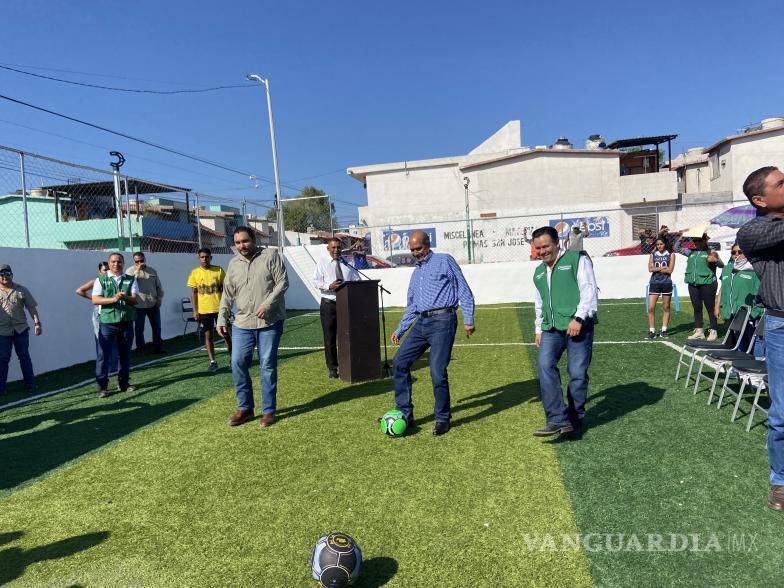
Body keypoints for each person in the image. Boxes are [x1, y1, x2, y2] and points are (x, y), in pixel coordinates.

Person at [391, 230, 475, 436]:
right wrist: (400, 329)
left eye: (418, 248)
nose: (416, 253)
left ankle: (442, 418)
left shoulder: (444, 260)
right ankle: (405, 414)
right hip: (421, 323)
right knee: (399, 362)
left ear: (428, 245)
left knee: (437, 371)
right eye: (412, 250)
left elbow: (463, 288)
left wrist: (469, 318)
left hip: (443, 320)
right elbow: (412, 306)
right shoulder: (415, 273)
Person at [736, 165, 784, 512]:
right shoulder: (753, 231)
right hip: (781, 326)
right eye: (781, 183)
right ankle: (780, 482)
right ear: (760, 199)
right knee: (782, 412)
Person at [218, 226, 288, 428]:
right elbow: (228, 293)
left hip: (270, 322)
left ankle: (268, 411)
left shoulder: (270, 256)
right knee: (237, 361)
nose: (242, 246)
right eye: (238, 242)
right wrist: (222, 318)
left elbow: (282, 282)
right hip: (242, 323)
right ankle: (245, 408)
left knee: (267, 365)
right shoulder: (233, 264)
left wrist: (267, 304)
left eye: (245, 241)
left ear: (254, 239)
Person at [531, 226, 598, 438]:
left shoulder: (576, 259)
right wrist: (538, 329)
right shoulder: (539, 271)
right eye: (538, 248)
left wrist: (578, 318)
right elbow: (539, 302)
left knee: (577, 374)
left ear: (557, 243)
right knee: (544, 365)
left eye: (546, 246)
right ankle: (557, 419)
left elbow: (589, 289)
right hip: (551, 328)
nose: (542, 251)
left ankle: (575, 419)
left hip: (578, 326)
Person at [91, 253, 139, 398]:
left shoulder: (130, 279)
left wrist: (125, 297)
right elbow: (95, 299)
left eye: (119, 262)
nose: (116, 264)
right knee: (103, 356)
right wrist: (114, 299)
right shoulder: (100, 280)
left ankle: (123, 384)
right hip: (107, 323)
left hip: (126, 322)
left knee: (124, 354)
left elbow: (135, 300)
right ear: (109, 263)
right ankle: (102, 387)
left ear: (123, 263)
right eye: (113, 262)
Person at [312, 237, 360, 378]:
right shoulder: (322, 263)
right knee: (330, 337)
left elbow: (357, 279)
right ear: (328, 249)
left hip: (346, 304)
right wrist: (329, 286)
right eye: (333, 248)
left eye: (338, 247)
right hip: (329, 304)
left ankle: (348, 363)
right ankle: (333, 368)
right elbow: (316, 281)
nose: (336, 250)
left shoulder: (348, 263)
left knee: (347, 336)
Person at [187, 248, 232, 373]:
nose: (204, 259)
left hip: (220, 309)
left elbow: (226, 290)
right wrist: (195, 311)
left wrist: (227, 306)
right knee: (208, 336)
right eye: (202, 257)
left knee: (225, 334)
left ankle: (232, 359)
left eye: (207, 257)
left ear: (210, 258)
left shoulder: (218, 270)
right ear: (199, 258)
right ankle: (213, 362)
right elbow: (194, 293)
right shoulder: (195, 273)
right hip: (204, 311)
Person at [0, 264, 41, 395]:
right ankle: (1, 388)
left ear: (12, 275)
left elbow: (31, 308)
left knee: (24, 357)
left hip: (21, 329)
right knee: (3, 359)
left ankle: (30, 384)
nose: (4, 277)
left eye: (7, 274)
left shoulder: (22, 290)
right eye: (1, 275)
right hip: (2, 332)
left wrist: (37, 323)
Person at [674, 233, 723, 341]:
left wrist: (716, 260)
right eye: (694, 240)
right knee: (697, 308)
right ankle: (699, 331)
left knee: (710, 308)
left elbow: (721, 265)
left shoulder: (711, 252)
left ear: (705, 240)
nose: (696, 242)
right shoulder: (690, 252)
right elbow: (676, 247)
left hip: (708, 283)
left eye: (699, 240)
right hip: (693, 284)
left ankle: (714, 330)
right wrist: (682, 236)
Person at [76, 261, 118, 375]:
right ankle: (104, 368)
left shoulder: (115, 280)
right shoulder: (97, 281)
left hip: (113, 313)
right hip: (99, 314)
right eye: (105, 270)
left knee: (115, 341)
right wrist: (94, 299)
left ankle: (114, 366)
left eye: (108, 269)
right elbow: (79, 290)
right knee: (101, 341)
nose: (107, 271)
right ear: (100, 272)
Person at [126, 252, 165, 354]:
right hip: (138, 305)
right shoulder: (130, 271)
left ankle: (158, 347)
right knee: (139, 329)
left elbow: (159, 286)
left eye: (141, 260)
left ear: (144, 259)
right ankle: (140, 349)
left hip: (153, 303)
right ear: (134, 261)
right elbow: (129, 283)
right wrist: (138, 270)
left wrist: (159, 299)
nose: (139, 262)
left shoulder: (152, 271)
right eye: (137, 261)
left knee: (157, 327)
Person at [647, 237, 676, 339]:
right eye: (658, 244)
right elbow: (650, 269)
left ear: (665, 244)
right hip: (655, 283)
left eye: (661, 244)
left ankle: (664, 330)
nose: (659, 246)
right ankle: (652, 331)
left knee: (666, 307)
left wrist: (657, 269)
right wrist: (662, 268)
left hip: (666, 283)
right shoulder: (653, 254)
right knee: (651, 307)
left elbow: (670, 270)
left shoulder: (671, 254)